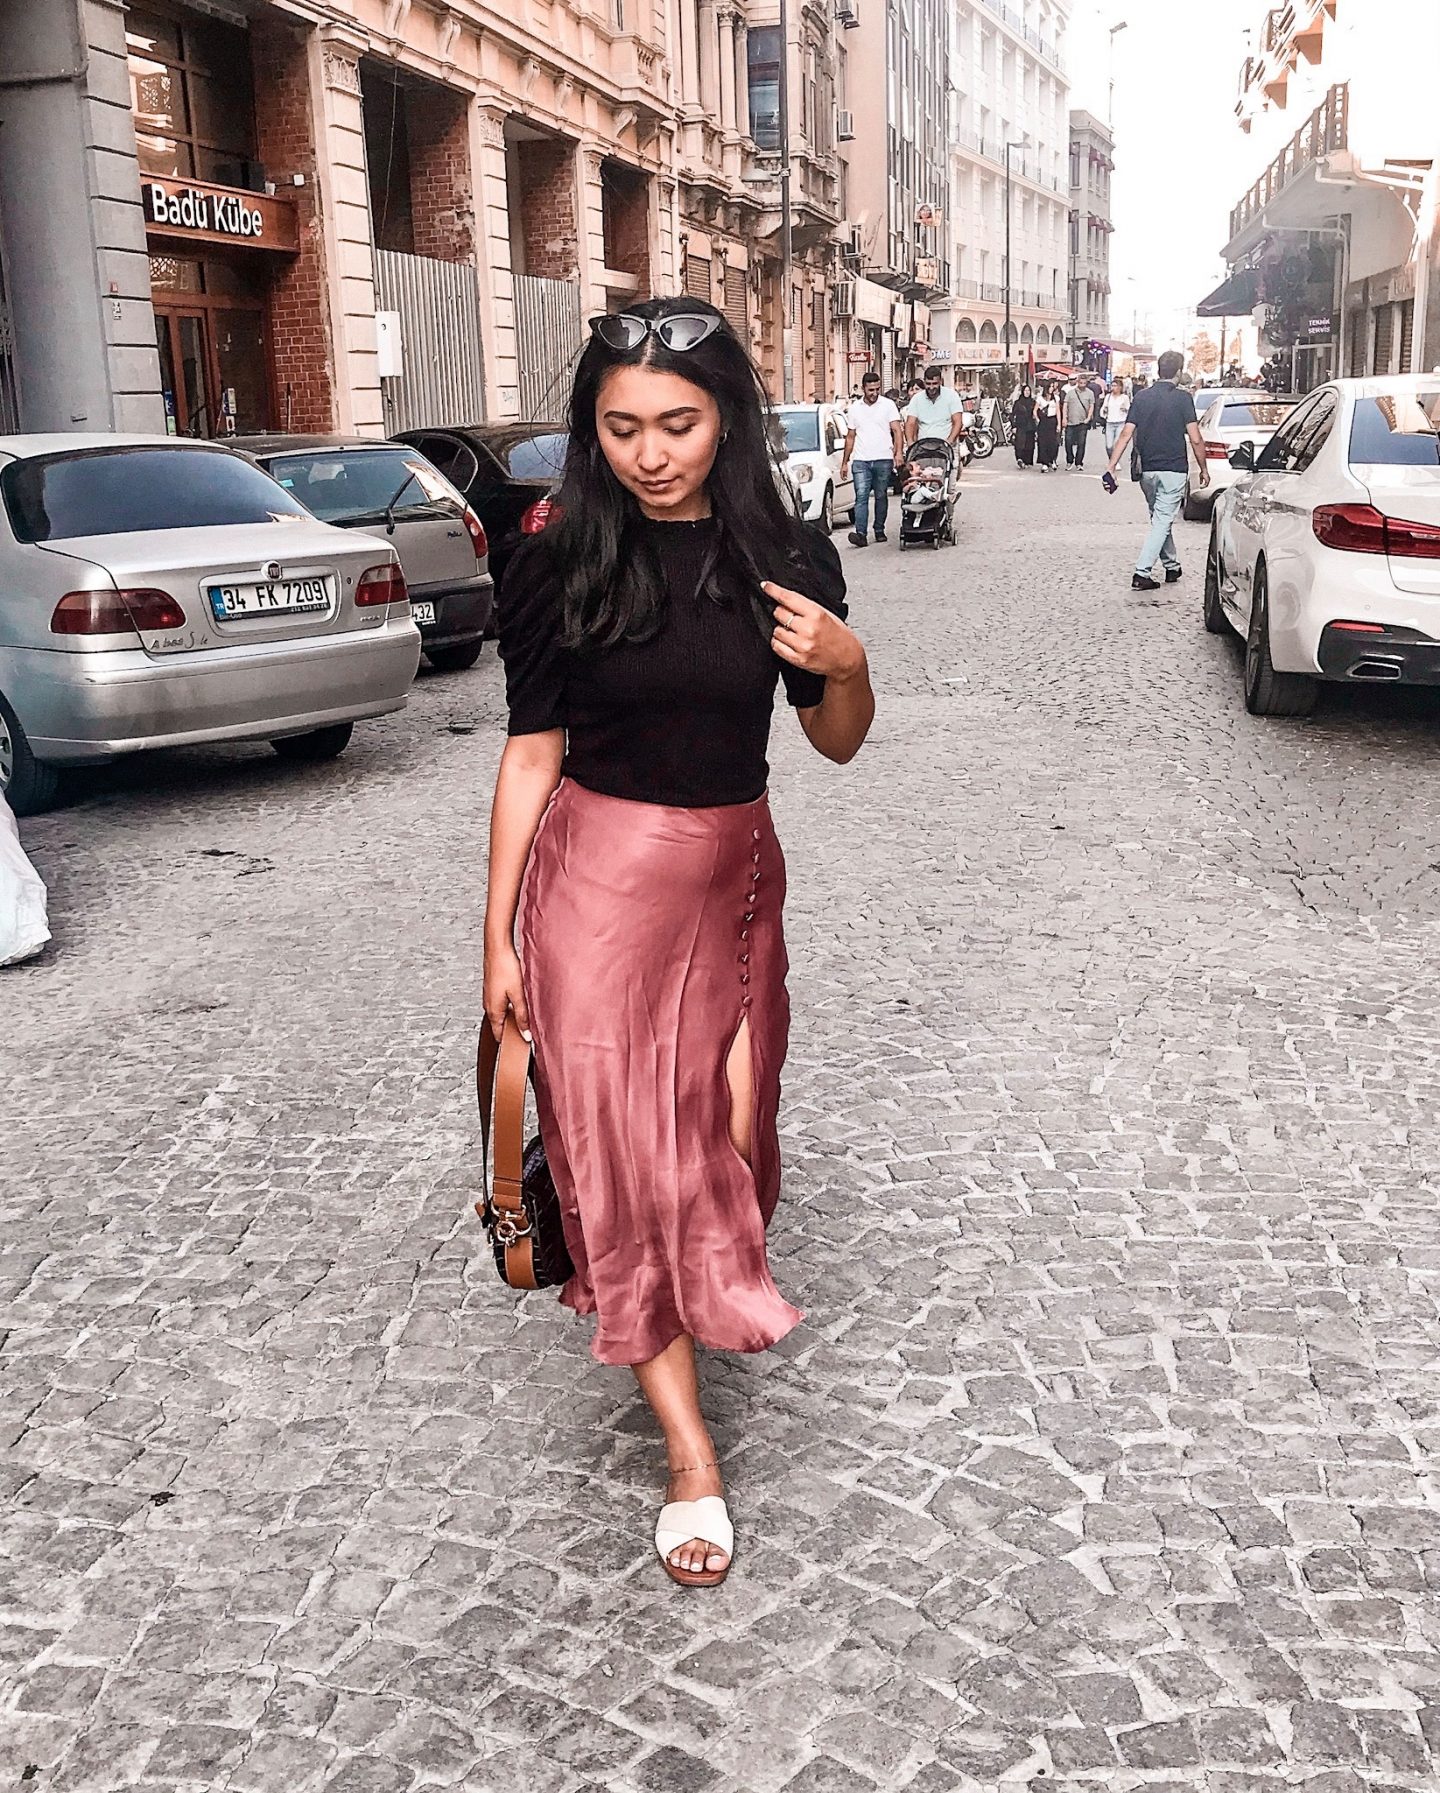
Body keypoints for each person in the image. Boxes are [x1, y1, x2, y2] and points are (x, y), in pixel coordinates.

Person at [485, 297, 874, 1589]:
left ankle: (690, 1287)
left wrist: (847, 661)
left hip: (735, 881)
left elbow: (836, 742)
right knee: (634, 1163)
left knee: (733, 1143)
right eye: (621, 427)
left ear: (728, 420)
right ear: (590, 430)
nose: (651, 453)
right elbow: (531, 751)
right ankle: (689, 1449)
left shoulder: (782, 551)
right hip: (594, 886)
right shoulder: (556, 553)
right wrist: (498, 941)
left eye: (678, 423)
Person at [1104, 346, 1210, 591]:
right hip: (1174, 468)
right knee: (1162, 520)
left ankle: (1172, 565)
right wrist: (1203, 468)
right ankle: (1142, 572)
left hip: (1147, 470)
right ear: (1178, 372)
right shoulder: (1183, 399)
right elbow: (1195, 438)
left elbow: (1126, 434)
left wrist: (1112, 465)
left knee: (1160, 518)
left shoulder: (1141, 397)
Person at [840, 370, 904, 546]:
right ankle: (860, 534)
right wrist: (845, 462)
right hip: (861, 460)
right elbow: (850, 437)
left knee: (881, 495)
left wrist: (898, 453)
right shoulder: (854, 408)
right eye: (871, 390)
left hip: (883, 458)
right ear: (863, 389)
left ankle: (879, 529)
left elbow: (897, 430)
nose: (874, 393)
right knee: (861, 496)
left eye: (877, 389)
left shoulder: (888, 405)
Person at [904, 365, 966, 492]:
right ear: (924, 382)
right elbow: (910, 423)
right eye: (928, 384)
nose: (931, 387)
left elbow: (957, 422)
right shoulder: (917, 399)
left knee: (949, 484)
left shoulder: (951, 396)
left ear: (940, 382)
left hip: (946, 446)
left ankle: (947, 498)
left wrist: (950, 440)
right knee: (922, 482)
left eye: (935, 384)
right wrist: (911, 443)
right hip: (923, 448)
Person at [1062, 377, 1095, 467]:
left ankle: (1079, 462)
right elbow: (1065, 405)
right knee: (1068, 441)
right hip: (1070, 421)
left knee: (1081, 442)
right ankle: (1069, 460)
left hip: (1083, 422)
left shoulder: (1090, 393)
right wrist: (1064, 418)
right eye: (1081, 383)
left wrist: (1088, 418)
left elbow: (1091, 406)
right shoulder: (1070, 393)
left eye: (1084, 383)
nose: (1082, 385)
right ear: (1077, 382)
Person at [1101, 377, 1130, 455]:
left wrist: (1125, 409)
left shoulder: (1124, 398)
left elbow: (1129, 410)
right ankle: (1112, 459)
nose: (1113, 387)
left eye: (1115, 386)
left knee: (1116, 444)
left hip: (1120, 422)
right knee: (1109, 446)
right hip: (1109, 423)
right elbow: (1103, 409)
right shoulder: (1108, 397)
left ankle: (1115, 460)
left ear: (1120, 387)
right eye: (1112, 385)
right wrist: (1104, 411)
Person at [1011, 385, 1037, 467]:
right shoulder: (1018, 403)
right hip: (1020, 426)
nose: (1027, 392)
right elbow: (1012, 415)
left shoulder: (1033, 402)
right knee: (1020, 443)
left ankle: (1028, 461)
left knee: (1029, 444)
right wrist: (1013, 426)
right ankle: (1020, 459)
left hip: (1030, 426)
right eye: (1025, 390)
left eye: (1028, 390)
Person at [1036, 385, 1061, 470]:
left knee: (1053, 442)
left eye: (1052, 387)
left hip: (1052, 420)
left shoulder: (1056, 398)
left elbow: (1058, 411)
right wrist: (1037, 419)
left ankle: (1052, 459)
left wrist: (1059, 424)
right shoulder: (1040, 398)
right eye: (1050, 387)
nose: (1051, 388)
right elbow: (1035, 410)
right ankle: (1044, 462)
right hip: (1043, 421)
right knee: (1043, 442)